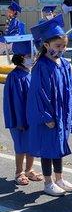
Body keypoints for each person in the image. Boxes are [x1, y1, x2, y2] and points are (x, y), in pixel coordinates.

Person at [28, 14, 72, 197]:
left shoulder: (64, 64)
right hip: (49, 117)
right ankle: (48, 182)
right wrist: (47, 117)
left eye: (64, 46)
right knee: (48, 149)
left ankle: (60, 179)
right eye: (58, 46)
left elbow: (70, 89)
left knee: (58, 147)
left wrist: (70, 110)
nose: (62, 49)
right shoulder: (40, 66)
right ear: (46, 45)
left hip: (62, 114)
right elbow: (38, 94)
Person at [3, 36, 43, 186]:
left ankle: (29, 170)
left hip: (32, 118)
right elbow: (14, 103)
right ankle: (19, 171)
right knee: (21, 146)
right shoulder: (14, 77)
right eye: (28, 56)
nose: (32, 59)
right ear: (20, 57)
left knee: (31, 144)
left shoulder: (31, 73)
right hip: (19, 119)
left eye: (33, 55)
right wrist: (20, 121)